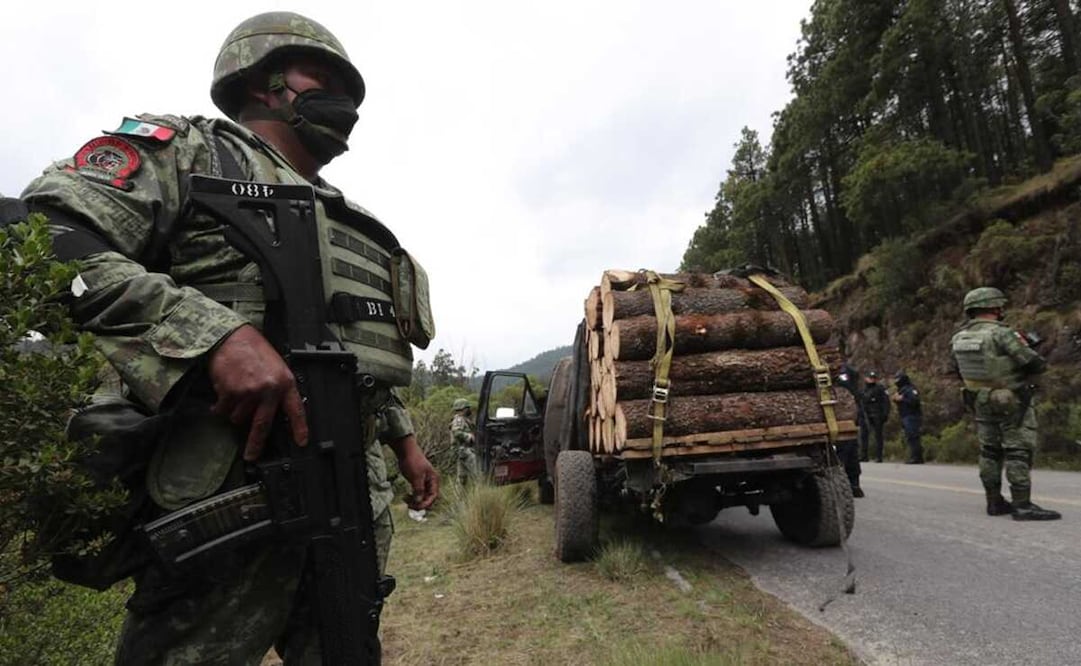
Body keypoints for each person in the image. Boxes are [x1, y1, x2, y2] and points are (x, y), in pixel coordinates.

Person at [20, 11, 441, 662]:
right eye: (320, 75)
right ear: (265, 82)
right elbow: (41, 238)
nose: (342, 98)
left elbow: (348, 356)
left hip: (351, 497)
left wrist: (404, 441)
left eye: (348, 85)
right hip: (228, 491)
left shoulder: (345, 215)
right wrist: (212, 338)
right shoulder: (189, 150)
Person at [950, 287, 1060, 521]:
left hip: (978, 399)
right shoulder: (1001, 334)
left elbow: (955, 369)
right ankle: (1022, 505)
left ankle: (994, 502)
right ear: (995, 308)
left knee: (989, 451)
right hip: (1010, 399)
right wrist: (1027, 348)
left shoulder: (958, 338)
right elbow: (1033, 363)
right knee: (1017, 449)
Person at [833, 364, 865, 497]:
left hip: (845, 415)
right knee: (849, 449)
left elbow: (849, 391)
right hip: (845, 414)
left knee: (847, 450)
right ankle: (852, 483)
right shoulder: (843, 370)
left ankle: (850, 483)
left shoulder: (843, 372)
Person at [892, 370, 924, 464]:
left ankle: (916, 457)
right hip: (905, 415)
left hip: (912, 416)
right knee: (910, 436)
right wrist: (896, 400)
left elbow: (914, 401)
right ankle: (915, 456)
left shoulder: (910, 389)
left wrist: (902, 399)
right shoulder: (902, 390)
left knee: (913, 436)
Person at [860, 371, 891, 462]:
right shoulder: (864, 390)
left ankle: (879, 456)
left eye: (873, 378)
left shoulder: (880, 388)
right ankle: (864, 455)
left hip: (877, 414)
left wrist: (885, 414)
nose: (871, 380)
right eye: (870, 378)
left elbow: (886, 402)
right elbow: (861, 403)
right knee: (864, 435)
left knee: (878, 436)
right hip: (866, 415)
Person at [450, 398, 479, 485]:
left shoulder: (463, 419)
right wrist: (469, 437)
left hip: (461, 451)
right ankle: (480, 494)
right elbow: (457, 432)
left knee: (462, 477)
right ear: (463, 409)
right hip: (465, 450)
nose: (469, 410)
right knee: (477, 475)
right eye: (467, 408)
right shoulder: (459, 420)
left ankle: (459, 497)